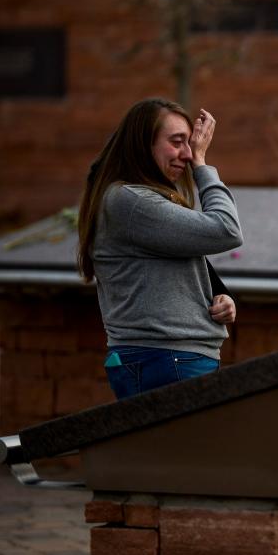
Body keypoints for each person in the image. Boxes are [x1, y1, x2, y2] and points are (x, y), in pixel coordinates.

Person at [77, 97, 243, 399]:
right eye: (177, 142)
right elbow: (226, 230)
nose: (188, 153)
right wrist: (203, 165)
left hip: (169, 358)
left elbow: (168, 271)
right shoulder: (131, 201)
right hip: (166, 358)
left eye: (190, 144)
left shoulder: (136, 200)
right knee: (177, 448)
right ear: (142, 145)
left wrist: (217, 297)